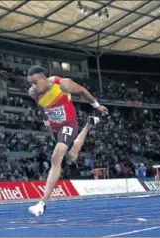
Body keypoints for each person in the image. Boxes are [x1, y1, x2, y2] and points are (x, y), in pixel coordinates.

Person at [25, 65, 108, 217]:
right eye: (30, 83)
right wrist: (47, 124)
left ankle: (42, 203)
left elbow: (82, 90)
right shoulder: (33, 92)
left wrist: (97, 105)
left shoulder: (62, 84)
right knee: (71, 156)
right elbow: (42, 108)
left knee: (56, 157)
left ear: (44, 78)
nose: (32, 87)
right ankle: (89, 125)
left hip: (68, 124)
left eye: (35, 82)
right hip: (55, 128)